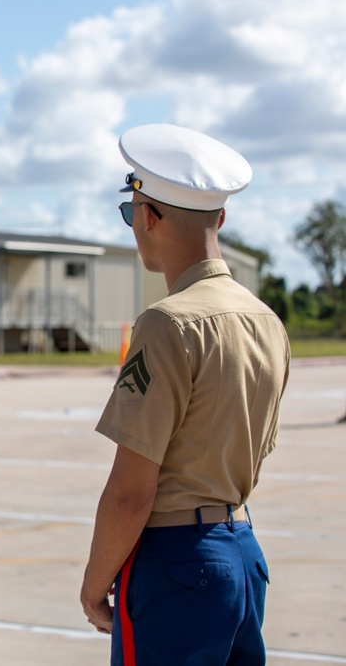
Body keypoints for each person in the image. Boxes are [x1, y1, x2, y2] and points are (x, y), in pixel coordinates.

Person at [80, 124, 291, 665]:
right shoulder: (267, 322)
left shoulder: (167, 324)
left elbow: (132, 490)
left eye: (132, 213)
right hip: (243, 556)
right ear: (220, 218)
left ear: (148, 217)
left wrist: (94, 582)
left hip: (177, 566)